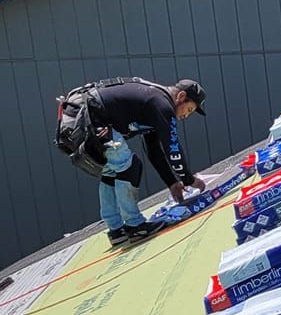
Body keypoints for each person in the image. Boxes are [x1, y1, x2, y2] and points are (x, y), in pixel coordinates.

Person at [86, 78, 208, 247]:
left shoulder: (153, 103)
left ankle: (116, 230)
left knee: (112, 171)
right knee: (130, 167)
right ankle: (135, 226)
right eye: (189, 110)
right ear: (181, 97)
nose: (185, 116)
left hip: (89, 119)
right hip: (96, 119)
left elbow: (154, 151)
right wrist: (188, 179)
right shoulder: (163, 106)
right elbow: (172, 147)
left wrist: (172, 183)